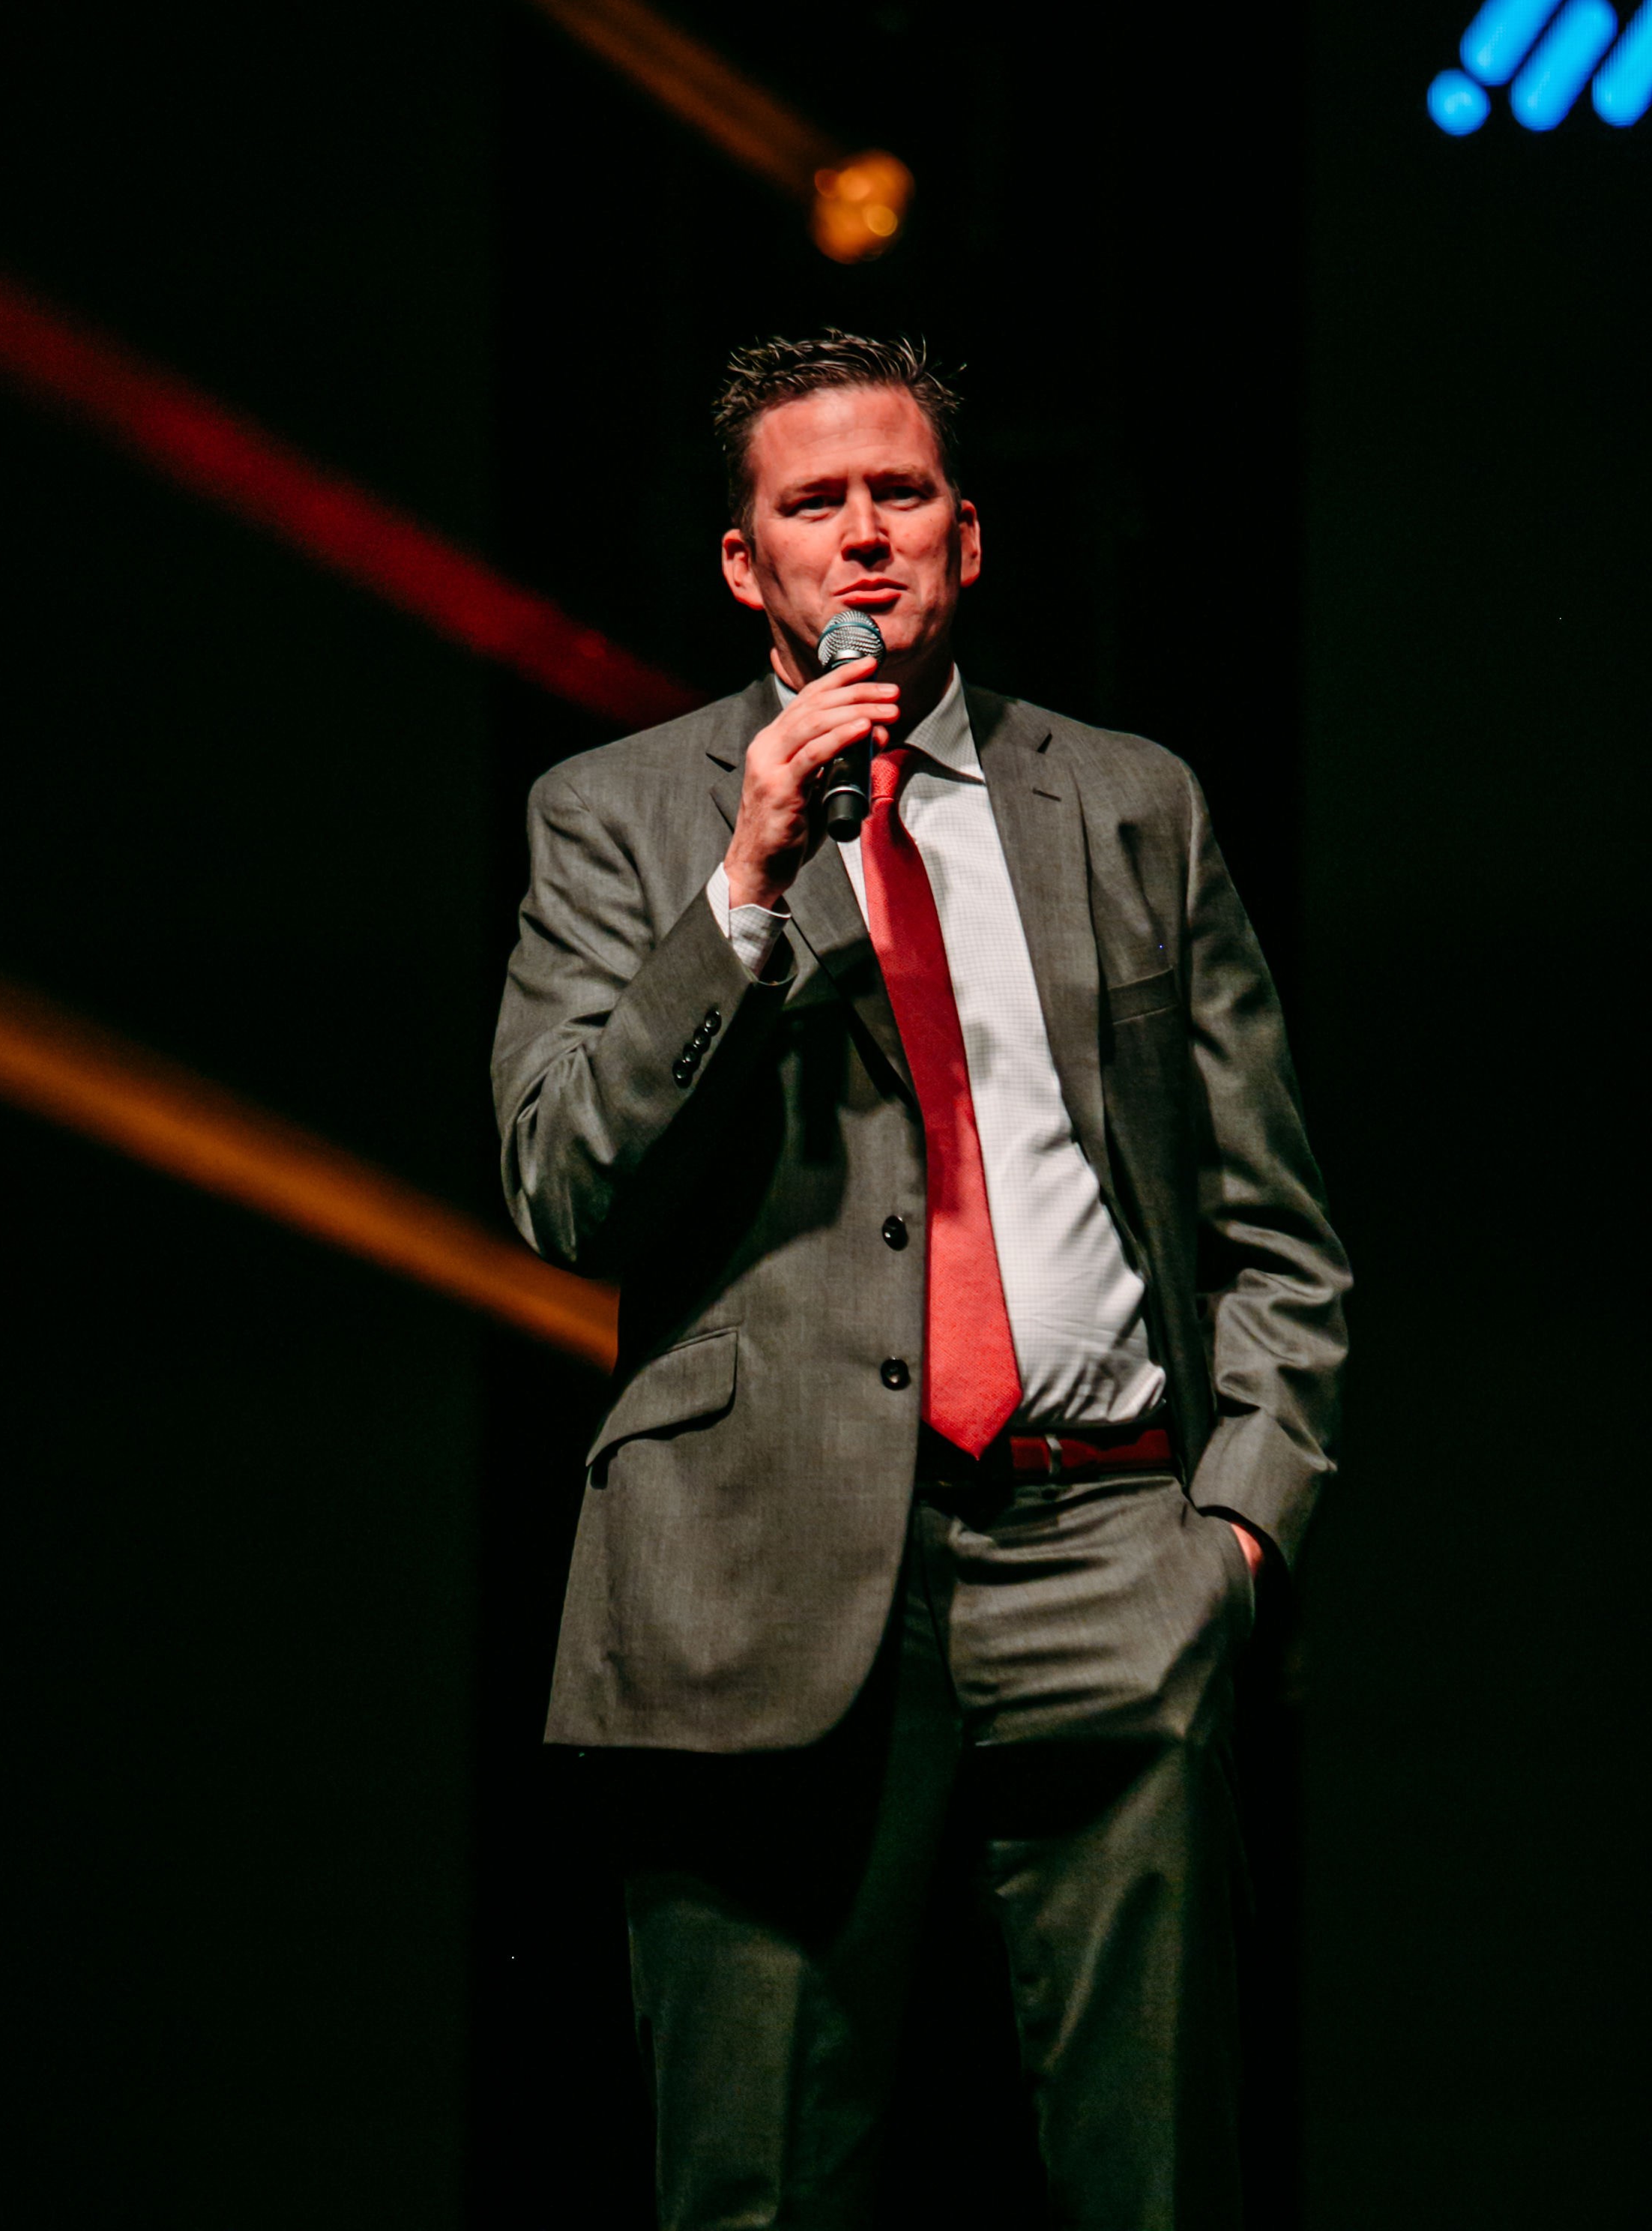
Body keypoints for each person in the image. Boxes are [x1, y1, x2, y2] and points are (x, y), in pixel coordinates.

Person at [491, 331, 1349, 2229]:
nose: (864, 536)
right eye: (816, 504)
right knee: (757, 2189)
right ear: (748, 565)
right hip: (754, 1573)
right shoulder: (616, 813)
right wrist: (742, 886)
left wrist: (1235, 1539)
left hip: (1110, 1553)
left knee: (1159, 2184)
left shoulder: (1126, 800)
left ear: (970, 533)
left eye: (902, 493)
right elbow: (563, 1186)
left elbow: (1273, 1224)